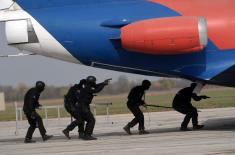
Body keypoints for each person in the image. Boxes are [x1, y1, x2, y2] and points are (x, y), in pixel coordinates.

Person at [77, 76, 109, 140]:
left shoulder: (87, 86)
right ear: (91, 82)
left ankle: (83, 134)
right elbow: (96, 90)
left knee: (84, 120)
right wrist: (103, 84)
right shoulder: (87, 88)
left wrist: (103, 83)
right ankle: (87, 135)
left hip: (82, 106)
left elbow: (96, 86)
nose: (95, 82)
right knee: (91, 120)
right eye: (94, 81)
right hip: (83, 107)